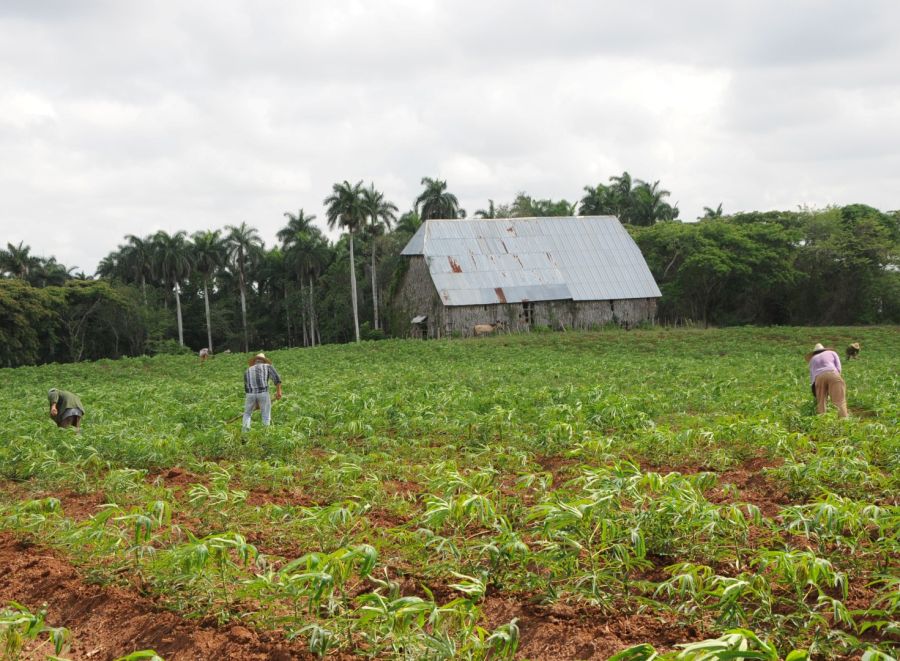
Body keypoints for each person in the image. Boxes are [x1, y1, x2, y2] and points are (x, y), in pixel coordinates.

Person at [805, 343, 849, 418]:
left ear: (814, 352)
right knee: (839, 400)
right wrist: (837, 380)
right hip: (832, 373)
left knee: (821, 402)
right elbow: (838, 368)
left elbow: (812, 377)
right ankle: (843, 420)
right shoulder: (832, 353)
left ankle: (822, 421)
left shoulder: (812, 359)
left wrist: (815, 391)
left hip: (818, 378)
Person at [242, 353, 282, 430]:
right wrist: (279, 392)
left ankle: (245, 435)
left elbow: (246, 387)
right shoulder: (267, 366)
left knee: (247, 414)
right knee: (265, 416)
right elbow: (277, 379)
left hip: (250, 394)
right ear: (263, 361)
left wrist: (256, 404)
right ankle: (265, 435)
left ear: (255, 361)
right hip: (263, 393)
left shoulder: (248, 370)